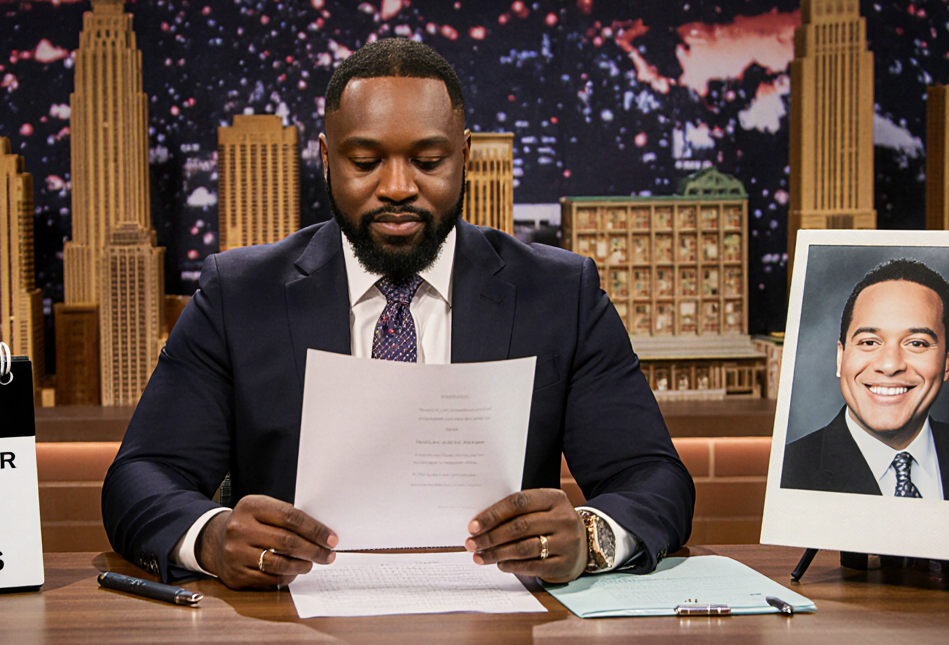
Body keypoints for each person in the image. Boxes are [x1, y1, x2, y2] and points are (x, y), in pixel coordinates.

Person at [102, 38, 694, 589]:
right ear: (326, 157)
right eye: (364, 161)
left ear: (464, 157)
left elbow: (653, 479)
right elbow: (142, 476)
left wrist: (590, 539)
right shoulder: (239, 294)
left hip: (505, 620)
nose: (397, 187)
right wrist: (210, 538)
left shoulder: (560, 293)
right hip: (289, 618)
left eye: (428, 161)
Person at [781, 258, 949, 501]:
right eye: (869, 342)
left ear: (948, 361)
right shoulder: (788, 473)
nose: (889, 365)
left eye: (916, 343)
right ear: (840, 357)